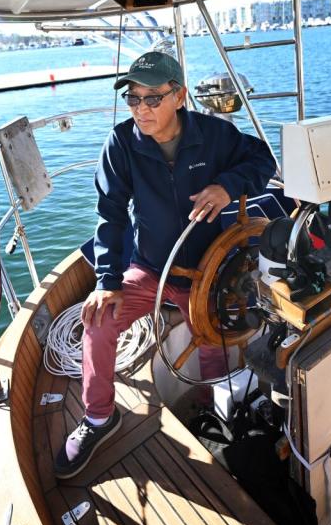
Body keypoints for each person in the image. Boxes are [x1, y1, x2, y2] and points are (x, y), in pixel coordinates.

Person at [55, 51, 276, 478]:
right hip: (150, 270)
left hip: (212, 271)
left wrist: (227, 186)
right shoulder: (121, 144)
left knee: (212, 337)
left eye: (152, 98)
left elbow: (262, 159)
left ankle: (221, 403)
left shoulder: (215, 135)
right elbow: (111, 216)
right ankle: (100, 417)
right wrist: (106, 281)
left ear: (180, 96)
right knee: (98, 321)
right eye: (133, 99)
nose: (141, 109)